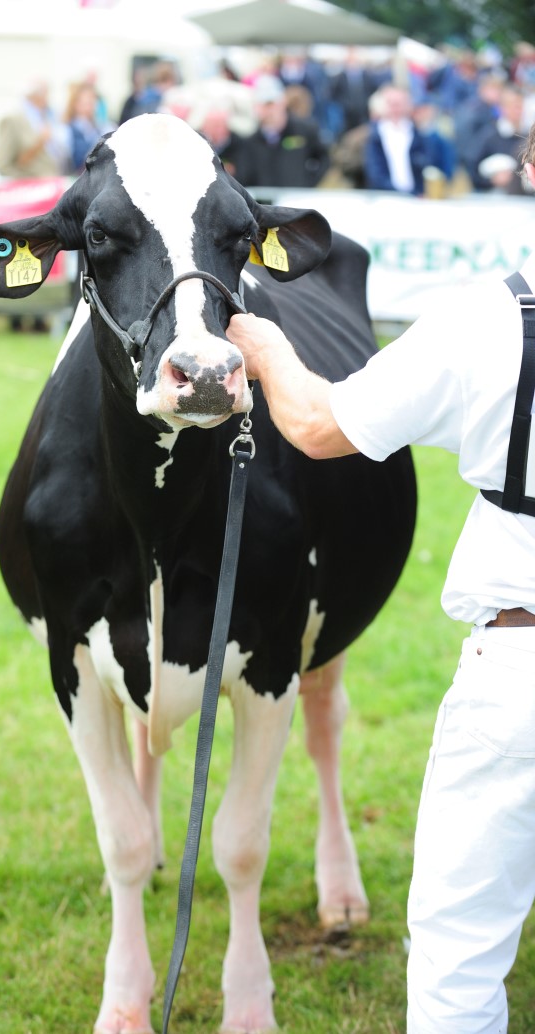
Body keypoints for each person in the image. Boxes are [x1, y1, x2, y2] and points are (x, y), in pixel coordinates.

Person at [226, 126, 535, 1034]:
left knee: (458, 953)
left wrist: (267, 347)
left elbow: (319, 426)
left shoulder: (490, 322)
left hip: (521, 666)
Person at [234, 74, 330, 190]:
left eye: (270, 104)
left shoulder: (304, 130)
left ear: (282, 102)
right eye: (260, 105)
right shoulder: (251, 141)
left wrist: (308, 183)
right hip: (265, 200)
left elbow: (324, 158)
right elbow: (244, 176)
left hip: (296, 197)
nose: (266, 110)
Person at [363, 84, 436, 195]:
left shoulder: (419, 133)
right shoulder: (374, 135)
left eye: (399, 103)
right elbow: (374, 171)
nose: (395, 108)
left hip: (416, 196)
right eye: (391, 103)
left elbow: (429, 165)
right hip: (384, 196)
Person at [0, 79, 67, 179]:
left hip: (54, 180)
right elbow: (3, 165)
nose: (47, 98)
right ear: (34, 96)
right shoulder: (13, 120)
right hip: (30, 184)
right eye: (44, 93)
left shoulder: (50, 117)